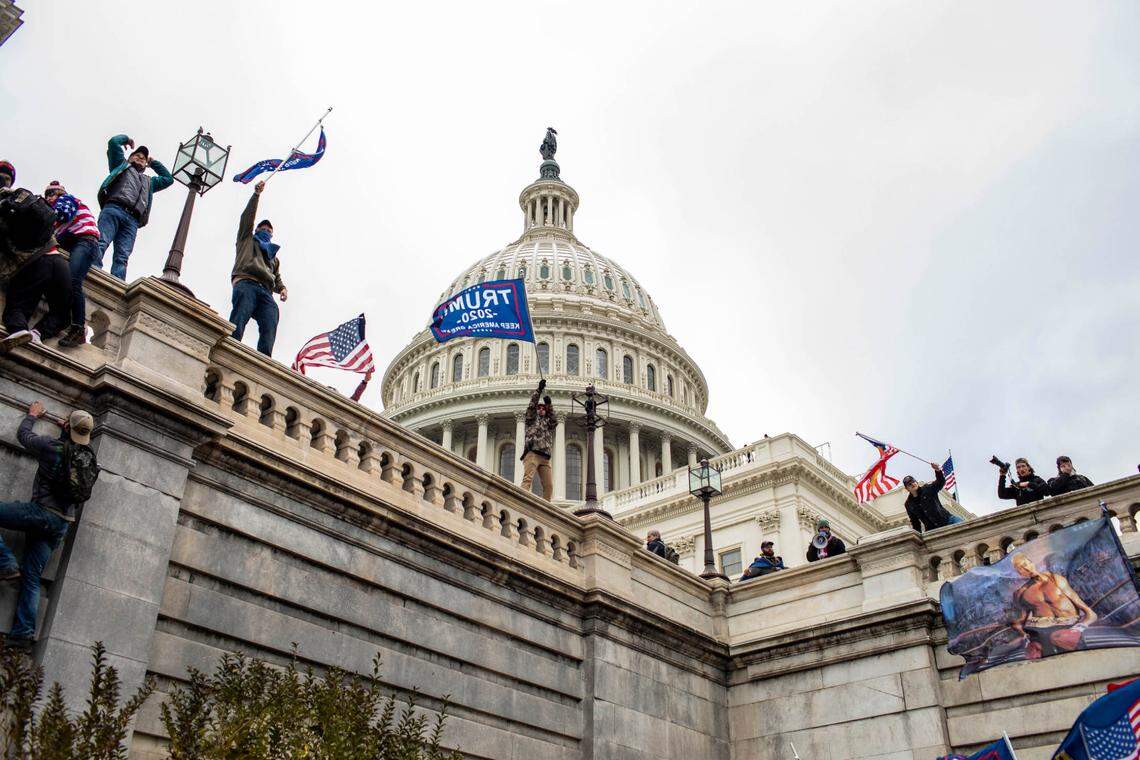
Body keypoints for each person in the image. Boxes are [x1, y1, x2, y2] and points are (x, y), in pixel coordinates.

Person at [0, 401, 94, 651]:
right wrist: (69, 430)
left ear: (68, 426)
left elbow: (24, 437)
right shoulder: (86, 457)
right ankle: (21, 637)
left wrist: (31, 416)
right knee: (32, 575)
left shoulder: (51, 447)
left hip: (40, 512)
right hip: (62, 523)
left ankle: (5, 563)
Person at [95, 134, 173, 280]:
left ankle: (116, 282)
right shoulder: (121, 165)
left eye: (143, 158)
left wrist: (154, 162)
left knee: (123, 256)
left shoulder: (150, 182)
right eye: (137, 155)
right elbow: (113, 143)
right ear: (129, 158)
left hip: (132, 220)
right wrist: (127, 140)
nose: (140, 158)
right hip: (114, 208)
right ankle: (92, 269)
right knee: (101, 242)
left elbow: (168, 179)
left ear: (146, 165)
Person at [1, 200, 71, 351]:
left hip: (37, 261)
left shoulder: (7, 223)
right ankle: (37, 333)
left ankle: (19, 330)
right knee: (62, 314)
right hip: (60, 262)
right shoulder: (29, 204)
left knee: (17, 306)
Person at [229, 181, 288, 356]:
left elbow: (276, 277)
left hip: (266, 291)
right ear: (256, 229)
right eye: (263, 228)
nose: (266, 231)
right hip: (247, 283)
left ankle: (264, 358)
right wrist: (256, 195)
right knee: (240, 316)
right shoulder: (246, 239)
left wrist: (283, 288)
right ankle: (230, 346)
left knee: (271, 318)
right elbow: (247, 218)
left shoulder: (273, 256)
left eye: (269, 230)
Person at [42, 182, 100, 348]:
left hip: (86, 241)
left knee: (73, 281)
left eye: (52, 193)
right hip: (77, 242)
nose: (49, 198)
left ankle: (78, 328)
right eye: (47, 194)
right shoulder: (58, 226)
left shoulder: (67, 200)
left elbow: (63, 214)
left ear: (60, 193)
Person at [1010, 553, 1096, 658]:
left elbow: (1090, 613)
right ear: (1020, 573)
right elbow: (1019, 623)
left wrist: (1078, 628)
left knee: (1076, 654)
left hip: (1069, 626)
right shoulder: (1020, 593)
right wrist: (1026, 637)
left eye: (1026, 564)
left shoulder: (1055, 579)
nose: (1026, 568)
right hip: (1042, 633)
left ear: (1031, 562)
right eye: (1021, 568)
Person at [520, 379, 556, 499]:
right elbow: (531, 406)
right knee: (527, 479)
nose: (541, 409)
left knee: (549, 486)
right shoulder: (531, 419)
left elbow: (554, 421)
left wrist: (549, 406)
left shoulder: (547, 422)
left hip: (545, 456)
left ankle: (545, 511)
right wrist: (539, 390)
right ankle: (520, 502)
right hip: (532, 453)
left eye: (543, 408)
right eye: (539, 408)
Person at [902, 462, 962, 532]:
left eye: (913, 481)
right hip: (932, 530)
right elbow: (915, 522)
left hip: (948, 520)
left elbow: (940, 482)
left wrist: (937, 471)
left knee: (966, 528)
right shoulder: (909, 504)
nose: (912, 484)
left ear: (916, 482)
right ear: (907, 489)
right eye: (909, 484)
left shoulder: (927, 489)